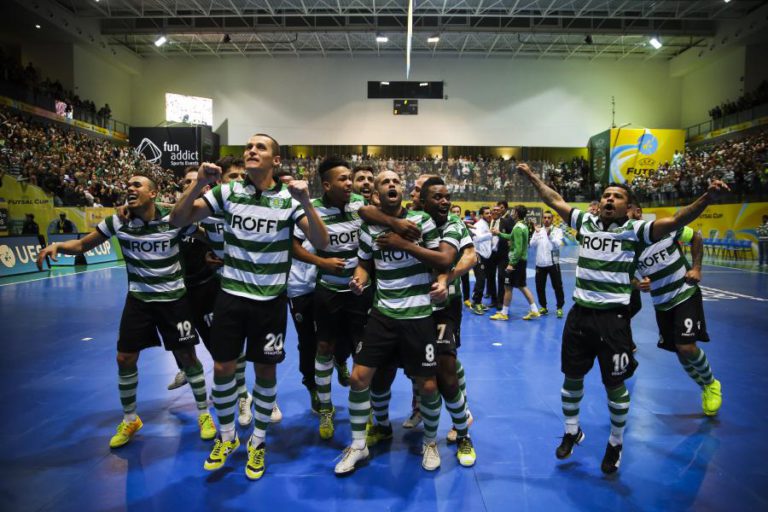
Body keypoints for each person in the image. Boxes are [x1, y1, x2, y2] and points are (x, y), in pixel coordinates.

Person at [517, 161, 728, 475]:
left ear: (629, 208)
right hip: (579, 317)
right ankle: (572, 430)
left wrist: (707, 198)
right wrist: (533, 176)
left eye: (616, 196)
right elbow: (554, 200)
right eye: (605, 195)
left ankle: (615, 442)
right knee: (571, 380)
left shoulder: (638, 231)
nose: (608, 199)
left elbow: (679, 221)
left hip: (614, 321)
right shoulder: (584, 222)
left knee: (615, 385)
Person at [170, 133, 329, 481]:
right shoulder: (227, 192)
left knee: (266, 372)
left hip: (270, 302)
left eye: (261, 147)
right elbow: (178, 220)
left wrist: (306, 203)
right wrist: (198, 183)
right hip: (230, 296)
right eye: (249, 146)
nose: (251, 150)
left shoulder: (289, 198)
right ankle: (227, 437)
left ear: (275, 160)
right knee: (224, 368)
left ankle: (257, 441)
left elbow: (321, 242)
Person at [35, 174, 217, 448]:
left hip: (173, 299)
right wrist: (59, 245)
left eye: (137, 185)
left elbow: (203, 237)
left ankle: (204, 413)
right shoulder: (118, 221)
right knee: (124, 358)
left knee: (187, 355)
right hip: (139, 300)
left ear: (153, 193)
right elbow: (84, 245)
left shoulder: (174, 220)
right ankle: (130, 418)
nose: (129, 189)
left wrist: (213, 252)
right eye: (128, 185)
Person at [333, 170, 445, 475]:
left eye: (396, 180)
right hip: (383, 313)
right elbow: (365, 263)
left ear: (404, 189)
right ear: (377, 194)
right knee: (358, 379)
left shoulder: (422, 222)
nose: (391, 184)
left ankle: (431, 442)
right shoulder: (369, 230)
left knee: (429, 385)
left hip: (418, 314)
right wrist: (359, 280)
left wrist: (441, 279)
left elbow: (440, 260)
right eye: (385, 182)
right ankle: (358, 445)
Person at [371, 176, 477, 464]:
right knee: (404, 368)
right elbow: (367, 210)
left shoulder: (452, 224)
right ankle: (412, 410)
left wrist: (447, 277)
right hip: (408, 306)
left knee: (445, 369)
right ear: (417, 197)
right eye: (419, 189)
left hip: (443, 304)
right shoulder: (406, 218)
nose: (444, 201)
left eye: (446, 196)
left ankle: (462, 427)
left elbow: (469, 256)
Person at [290, 156, 369, 440]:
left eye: (350, 178)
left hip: (359, 292)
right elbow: (295, 246)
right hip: (327, 291)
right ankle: (325, 407)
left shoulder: (361, 204)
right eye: (343, 179)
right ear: (326, 184)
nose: (350, 183)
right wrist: (321, 263)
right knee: (323, 347)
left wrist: (364, 273)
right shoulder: (312, 209)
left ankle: (365, 409)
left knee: (362, 350)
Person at [630, 204, 721, 416]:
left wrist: (696, 267)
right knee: (681, 354)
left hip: (685, 293)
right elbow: (630, 277)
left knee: (687, 347)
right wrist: (637, 285)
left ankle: (712, 384)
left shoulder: (663, 228)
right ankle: (705, 387)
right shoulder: (629, 246)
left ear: (636, 211)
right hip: (661, 303)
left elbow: (696, 236)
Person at [490, 205, 540, 321]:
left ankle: (504, 313)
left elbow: (517, 248)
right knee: (522, 286)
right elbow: (512, 237)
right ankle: (534, 310)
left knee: (508, 287)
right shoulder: (523, 226)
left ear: (517, 213)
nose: (511, 213)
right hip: (522, 261)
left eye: (513, 211)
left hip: (516, 262)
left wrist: (511, 263)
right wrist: (499, 233)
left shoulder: (517, 228)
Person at [530, 210, 565, 318]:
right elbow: (532, 244)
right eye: (544, 218)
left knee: (557, 286)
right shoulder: (538, 231)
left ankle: (559, 307)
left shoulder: (558, 231)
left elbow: (558, 244)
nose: (546, 220)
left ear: (552, 219)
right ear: (542, 219)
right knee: (540, 287)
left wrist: (550, 235)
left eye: (549, 218)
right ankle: (544, 307)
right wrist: (535, 233)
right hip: (540, 263)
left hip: (553, 263)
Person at [469, 206, 493, 315]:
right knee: (481, 279)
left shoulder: (487, 224)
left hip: (485, 256)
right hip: (478, 255)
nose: (489, 215)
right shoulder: (478, 225)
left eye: (490, 213)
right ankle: (477, 303)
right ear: (482, 215)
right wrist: (490, 234)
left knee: (482, 279)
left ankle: (476, 301)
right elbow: (476, 238)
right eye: (487, 213)